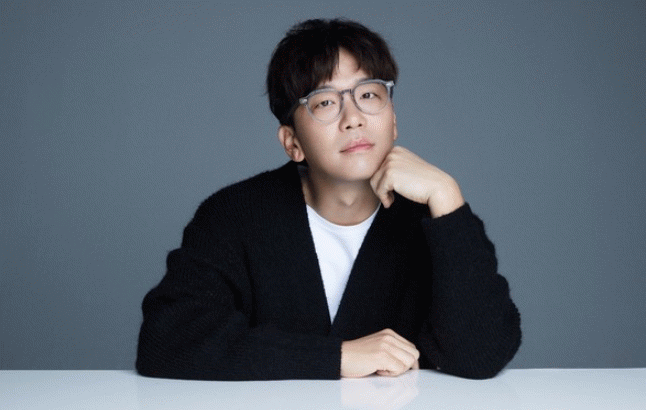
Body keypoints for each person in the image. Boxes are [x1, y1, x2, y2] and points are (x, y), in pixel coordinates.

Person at [136, 18, 521, 381]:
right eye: (325, 102)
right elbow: (166, 340)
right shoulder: (234, 216)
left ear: (394, 120)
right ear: (292, 142)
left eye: (369, 94)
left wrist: (448, 196)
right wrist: (338, 356)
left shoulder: (432, 218)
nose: (353, 118)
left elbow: (482, 355)